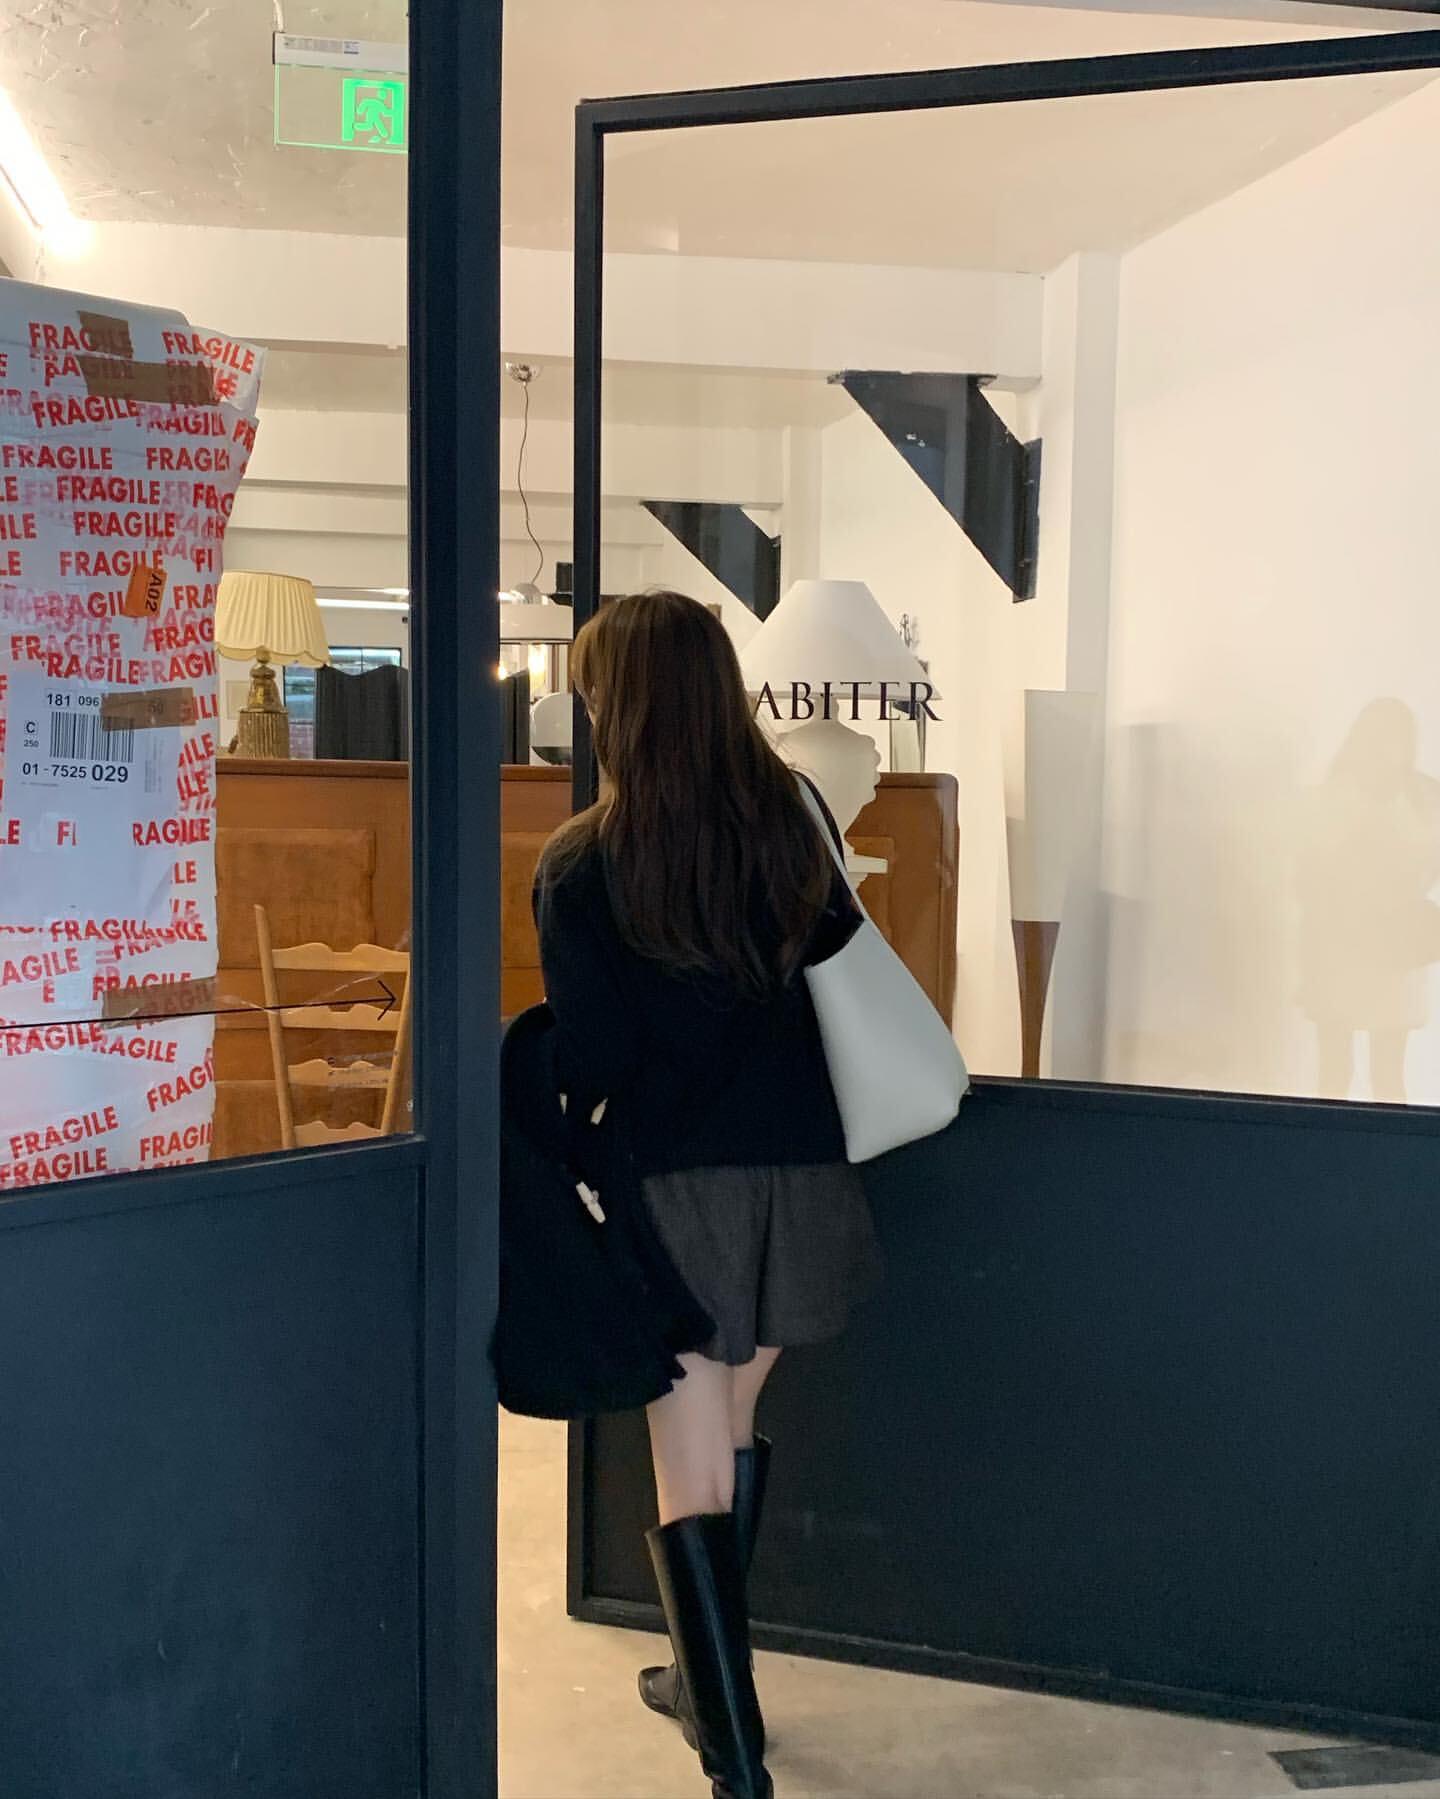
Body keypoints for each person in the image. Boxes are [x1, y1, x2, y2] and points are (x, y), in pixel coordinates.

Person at [534, 590, 882, 1799]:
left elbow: (597, 1058)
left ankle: (736, 1761)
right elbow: (837, 966)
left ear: (619, 706)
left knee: (688, 1464)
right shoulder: (791, 823)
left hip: (677, 1188)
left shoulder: (585, 860)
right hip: (803, 1174)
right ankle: (701, 1678)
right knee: (725, 1424)